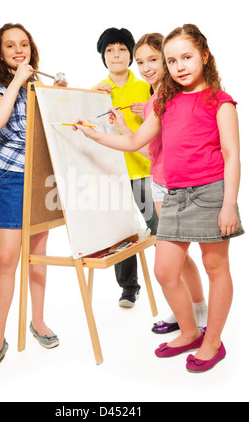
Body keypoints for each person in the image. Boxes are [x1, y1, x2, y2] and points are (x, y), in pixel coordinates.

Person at [73, 24, 244, 373]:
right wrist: (92, 134)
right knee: (166, 270)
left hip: (212, 193)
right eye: (173, 60)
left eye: (187, 57)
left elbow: (232, 156)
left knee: (215, 267)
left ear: (204, 56)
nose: (179, 65)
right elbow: (134, 142)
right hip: (176, 194)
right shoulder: (164, 102)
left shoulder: (220, 102)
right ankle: (192, 331)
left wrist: (229, 205)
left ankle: (213, 343)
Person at [0, 23, 67, 377]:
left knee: (38, 252)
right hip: (13, 179)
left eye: (23, 44)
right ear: (0, 53)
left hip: (43, 177)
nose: (18, 50)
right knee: (7, 258)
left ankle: (38, 321)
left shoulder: (38, 87)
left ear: (31, 49)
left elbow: (56, 131)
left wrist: (58, 94)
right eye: (10, 46)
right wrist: (18, 81)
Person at [133, 33, 208, 334]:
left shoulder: (173, 97)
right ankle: (187, 311)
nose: (147, 67)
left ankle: (199, 311)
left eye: (153, 59)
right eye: (140, 62)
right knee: (179, 255)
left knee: (180, 255)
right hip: (159, 183)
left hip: (182, 185)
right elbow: (148, 148)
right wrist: (124, 127)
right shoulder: (153, 100)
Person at [93, 27, 158, 309]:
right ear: (103, 56)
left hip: (145, 170)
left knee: (159, 229)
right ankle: (129, 288)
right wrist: (91, 94)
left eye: (121, 49)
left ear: (131, 55)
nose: (116, 55)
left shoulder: (147, 85)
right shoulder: (96, 90)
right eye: (109, 50)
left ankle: (174, 276)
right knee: (122, 233)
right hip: (112, 173)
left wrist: (146, 109)